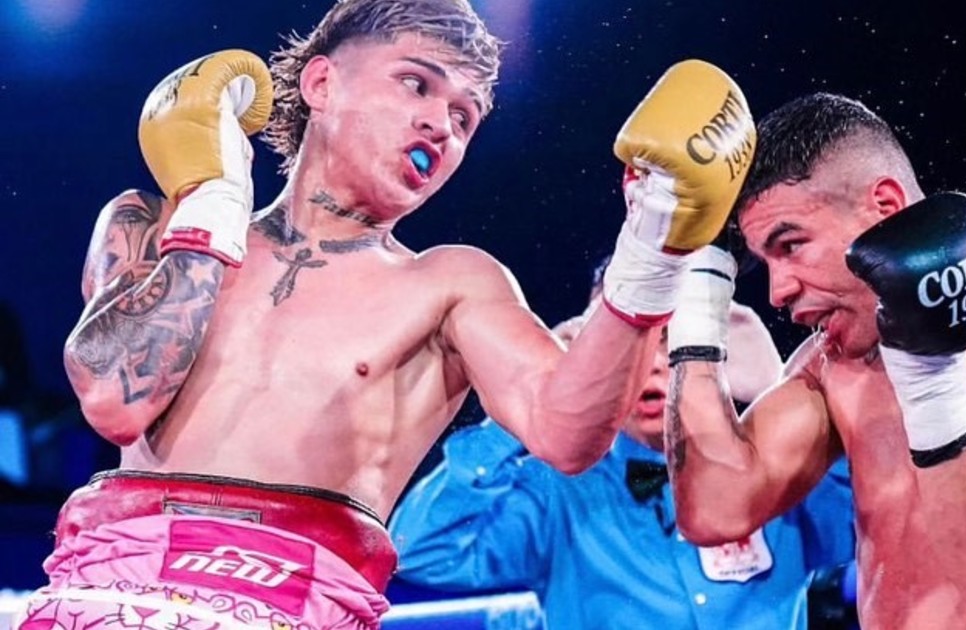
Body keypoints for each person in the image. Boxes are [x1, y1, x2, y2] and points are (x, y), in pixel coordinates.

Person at [18, 0, 757, 627]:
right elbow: (114, 400)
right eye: (416, 84)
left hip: (292, 606)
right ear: (321, 82)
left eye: (464, 117)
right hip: (104, 591)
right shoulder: (152, 225)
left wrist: (650, 253)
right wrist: (211, 205)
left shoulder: (451, 285)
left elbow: (566, 435)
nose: (441, 125)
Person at [662, 92, 966, 629]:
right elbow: (715, 509)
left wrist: (928, 371)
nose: (778, 291)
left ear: (885, 206)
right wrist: (698, 297)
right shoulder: (834, 363)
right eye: (765, 261)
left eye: (791, 245)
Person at [388, 258, 855, 629]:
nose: (652, 363)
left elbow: (868, 521)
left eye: (671, 340)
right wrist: (530, 405)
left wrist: (780, 392)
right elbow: (419, 551)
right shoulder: (557, 490)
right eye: (631, 345)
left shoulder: (770, 466)